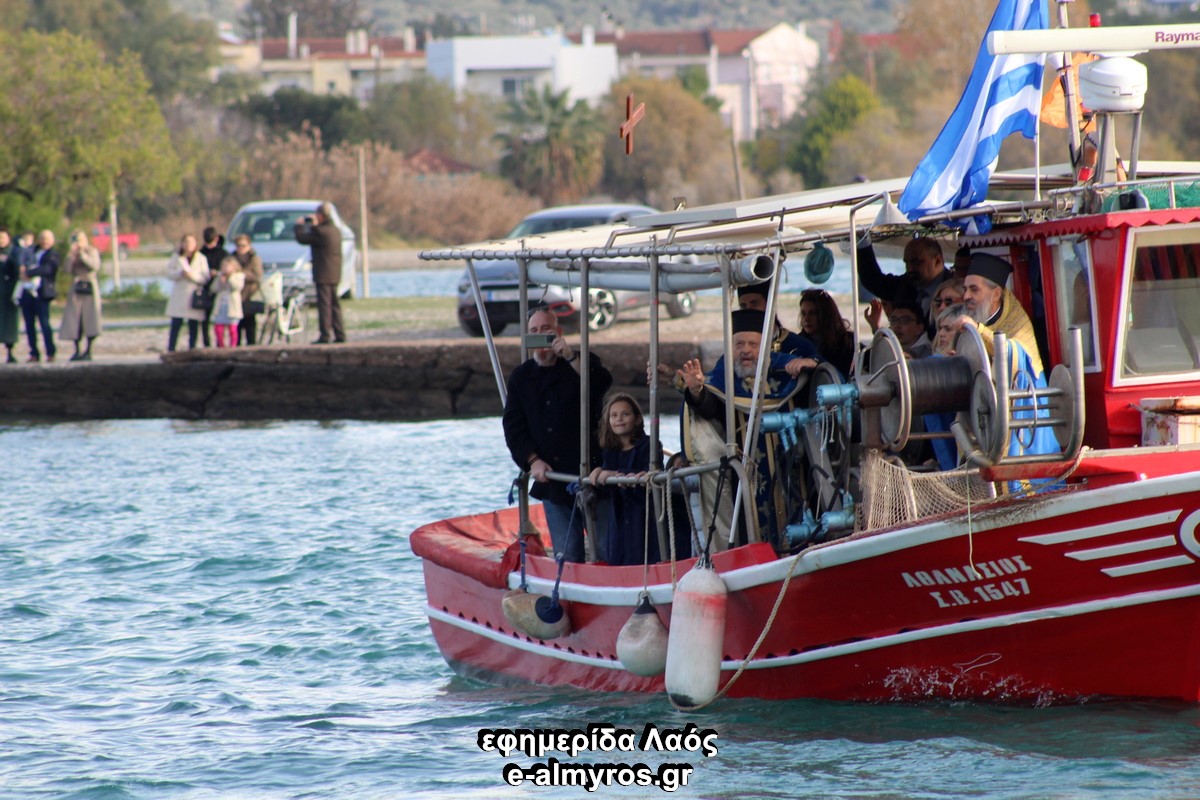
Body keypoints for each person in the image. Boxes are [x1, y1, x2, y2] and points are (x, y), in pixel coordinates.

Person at [678, 308, 806, 550]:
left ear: (764, 347)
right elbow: (709, 408)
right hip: (745, 482)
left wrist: (812, 363)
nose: (745, 350)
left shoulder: (788, 374)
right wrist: (696, 391)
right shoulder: (723, 380)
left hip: (792, 474)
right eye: (739, 344)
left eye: (752, 344)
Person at [502, 307, 613, 562]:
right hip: (552, 478)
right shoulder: (521, 376)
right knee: (568, 554)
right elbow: (513, 426)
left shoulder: (581, 362)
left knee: (607, 548)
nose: (540, 336)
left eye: (546, 330)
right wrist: (532, 460)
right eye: (534, 331)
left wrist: (570, 356)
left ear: (559, 332)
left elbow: (602, 383)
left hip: (592, 473)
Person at [589, 393, 657, 566]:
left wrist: (615, 473)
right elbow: (606, 483)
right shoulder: (609, 450)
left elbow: (652, 473)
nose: (619, 419)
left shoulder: (650, 445)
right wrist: (598, 474)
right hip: (619, 514)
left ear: (637, 419)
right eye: (614, 415)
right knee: (619, 554)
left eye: (625, 414)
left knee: (644, 553)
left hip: (644, 514)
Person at [962, 252, 1043, 377]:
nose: (966, 296)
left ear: (996, 295)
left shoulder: (1018, 323)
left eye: (974, 289)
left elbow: (1012, 356)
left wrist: (978, 329)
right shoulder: (969, 318)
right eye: (965, 289)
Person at [857, 237, 953, 334]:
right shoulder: (905, 285)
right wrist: (863, 240)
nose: (910, 268)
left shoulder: (956, 289)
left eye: (916, 262)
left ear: (937, 260)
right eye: (907, 263)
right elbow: (872, 279)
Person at [294, 202, 345, 344]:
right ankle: (340, 334)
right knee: (335, 305)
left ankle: (325, 335)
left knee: (324, 305)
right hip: (335, 273)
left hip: (323, 273)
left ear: (321, 216)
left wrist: (299, 225)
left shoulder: (321, 232)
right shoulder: (335, 230)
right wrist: (314, 225)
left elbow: (302, 238)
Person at [58, 230, 103, 361]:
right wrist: (71, 256)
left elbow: (95, 266)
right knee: (74, 320)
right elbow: (67, 270)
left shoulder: (91, 251)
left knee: (90, 319)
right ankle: (76, 349)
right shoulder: (72, 253)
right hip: (76, 287)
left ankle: (89, 350)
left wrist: (83, 255)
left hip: (89, 286)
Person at [164, 233, 211, 352]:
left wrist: (192, 276)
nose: (188, 245)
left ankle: (192, 349)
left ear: (195, 244)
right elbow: (168, 273)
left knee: (193, 325)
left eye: (191, 242)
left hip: (194, 294)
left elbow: (205, 277)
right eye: (186, 242)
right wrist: (180, 273)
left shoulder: (201, 258)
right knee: (176, 324)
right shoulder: (176, 257)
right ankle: (171, 349)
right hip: (179, 294)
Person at [18, 230, 59, 363]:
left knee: (44, 323)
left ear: (52, 240)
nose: (44, 241)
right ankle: (34, 353)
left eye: (47, 238)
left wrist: (29, 273)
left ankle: (50, 352)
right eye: (42, 238)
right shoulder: (31, 252)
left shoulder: (53, 254)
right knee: (29, 325)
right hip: (27, 293)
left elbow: (47, 269)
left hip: (42, 294)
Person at [798, 289, 856, 377]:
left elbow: (872, 359)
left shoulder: (847, 341)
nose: (806, 319)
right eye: (803, 314)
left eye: (812, 313)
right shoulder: (798, 342)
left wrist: (875, 328)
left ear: (826, 315)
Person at [232, 234, 264, 345]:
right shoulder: (232, 258)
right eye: (238, 245)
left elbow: (257, 275)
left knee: (250, 327)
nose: (241, 248)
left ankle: (252, 348)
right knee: (237, 327)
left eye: (243, 245)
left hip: (250, 295)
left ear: (249, 246)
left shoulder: (254, 258)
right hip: (236, 296)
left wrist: (241, 274)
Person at [198, 226, 227, 348]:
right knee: (204, 319)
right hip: (204, 288)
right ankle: (207, 343)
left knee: (220, 319)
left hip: (219, 289)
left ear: (216, 239)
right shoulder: (200, 253)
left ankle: (220, 343)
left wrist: (218, 273)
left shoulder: (223, 253)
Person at [211, 255, 245, 348]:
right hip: (221, 306)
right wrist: (220, 280)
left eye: (227, 266)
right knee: (218, 329)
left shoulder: (238, 276)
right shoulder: (220, 277)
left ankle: (232, 346)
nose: (225, 268)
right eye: (223, 266)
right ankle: (221, 346)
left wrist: (230, 278)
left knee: (232, 329)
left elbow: (237, 287)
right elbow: (213, 288)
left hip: (232, 307)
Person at [0, 229, 19, 363]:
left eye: (3, 237)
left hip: (9, 293)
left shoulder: (14, 252)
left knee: (10, 323)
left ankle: (10, 351)